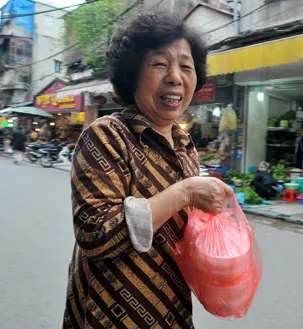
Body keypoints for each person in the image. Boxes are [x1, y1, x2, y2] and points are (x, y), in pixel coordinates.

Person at [62, 12, 234, 329]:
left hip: (173, 309)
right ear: (132, 75)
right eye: (159, 64)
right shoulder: (106, 136)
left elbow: (180, 233)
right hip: (111, 315)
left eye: (185, 66)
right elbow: (95, 234)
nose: (174, 77)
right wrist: (185, 192)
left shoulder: (185, 144)